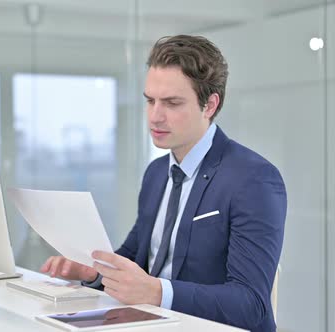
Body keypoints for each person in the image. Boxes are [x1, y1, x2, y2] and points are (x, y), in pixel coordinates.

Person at [40, 35, 286, 332]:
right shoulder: (157, 172)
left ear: (209, 105)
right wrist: (94, 273)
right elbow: (135, 259)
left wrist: (157, 292)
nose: (155, 116)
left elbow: (251, 304)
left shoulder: (253, 179)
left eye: (171, 103)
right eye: (150, 101)